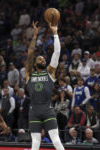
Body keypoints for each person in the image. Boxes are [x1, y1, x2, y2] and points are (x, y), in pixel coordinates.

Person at [25, 22, 65, 150]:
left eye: (43, 59)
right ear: (35, 63)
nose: (42, 59)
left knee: (56, 139)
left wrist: (55, 33)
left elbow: (57, 52)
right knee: (35, 141)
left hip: (48, 109)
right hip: (34, 110)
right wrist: (35, 36)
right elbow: (30, 53)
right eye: (39, 58)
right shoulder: (29, 73)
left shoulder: (50, 72)